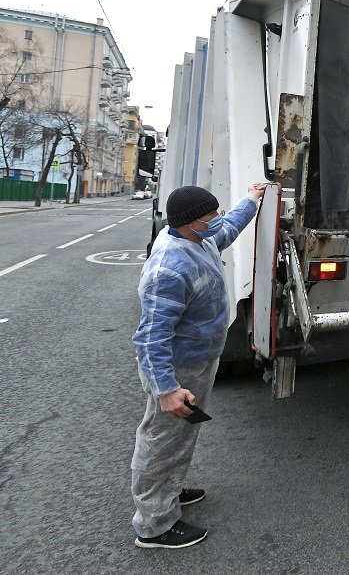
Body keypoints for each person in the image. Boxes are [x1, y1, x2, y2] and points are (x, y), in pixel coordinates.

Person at [130, 183, 268, 548]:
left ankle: (169, 492)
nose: (216, 221)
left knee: (182, 435)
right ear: (190, 223)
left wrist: (251, 200)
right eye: (210, 217)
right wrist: (167, 390)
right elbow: (150, 338)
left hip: (199, 361)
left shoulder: (198, 239)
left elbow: (227, 228)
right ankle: (154, 524)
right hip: (178, 371)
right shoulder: (169, 269)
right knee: (161, 440)